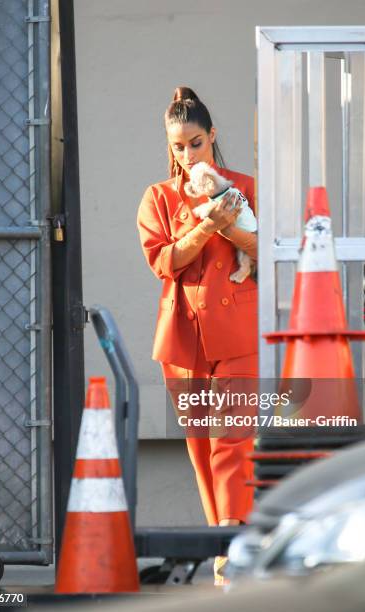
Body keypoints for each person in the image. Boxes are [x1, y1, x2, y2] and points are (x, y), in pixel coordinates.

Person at [137, 87, 258, 585]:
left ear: (213, 138)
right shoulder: (159, 196)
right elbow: (162, 260)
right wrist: (207, 227)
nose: (187, 154)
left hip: (237, 329)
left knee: (233, 442)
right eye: (178, 146)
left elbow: (267, 249)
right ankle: (223, 546)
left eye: (195, 143)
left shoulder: (245, 184)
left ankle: (231, 556)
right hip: (183, 336)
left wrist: (229, 226)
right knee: (201, 445)